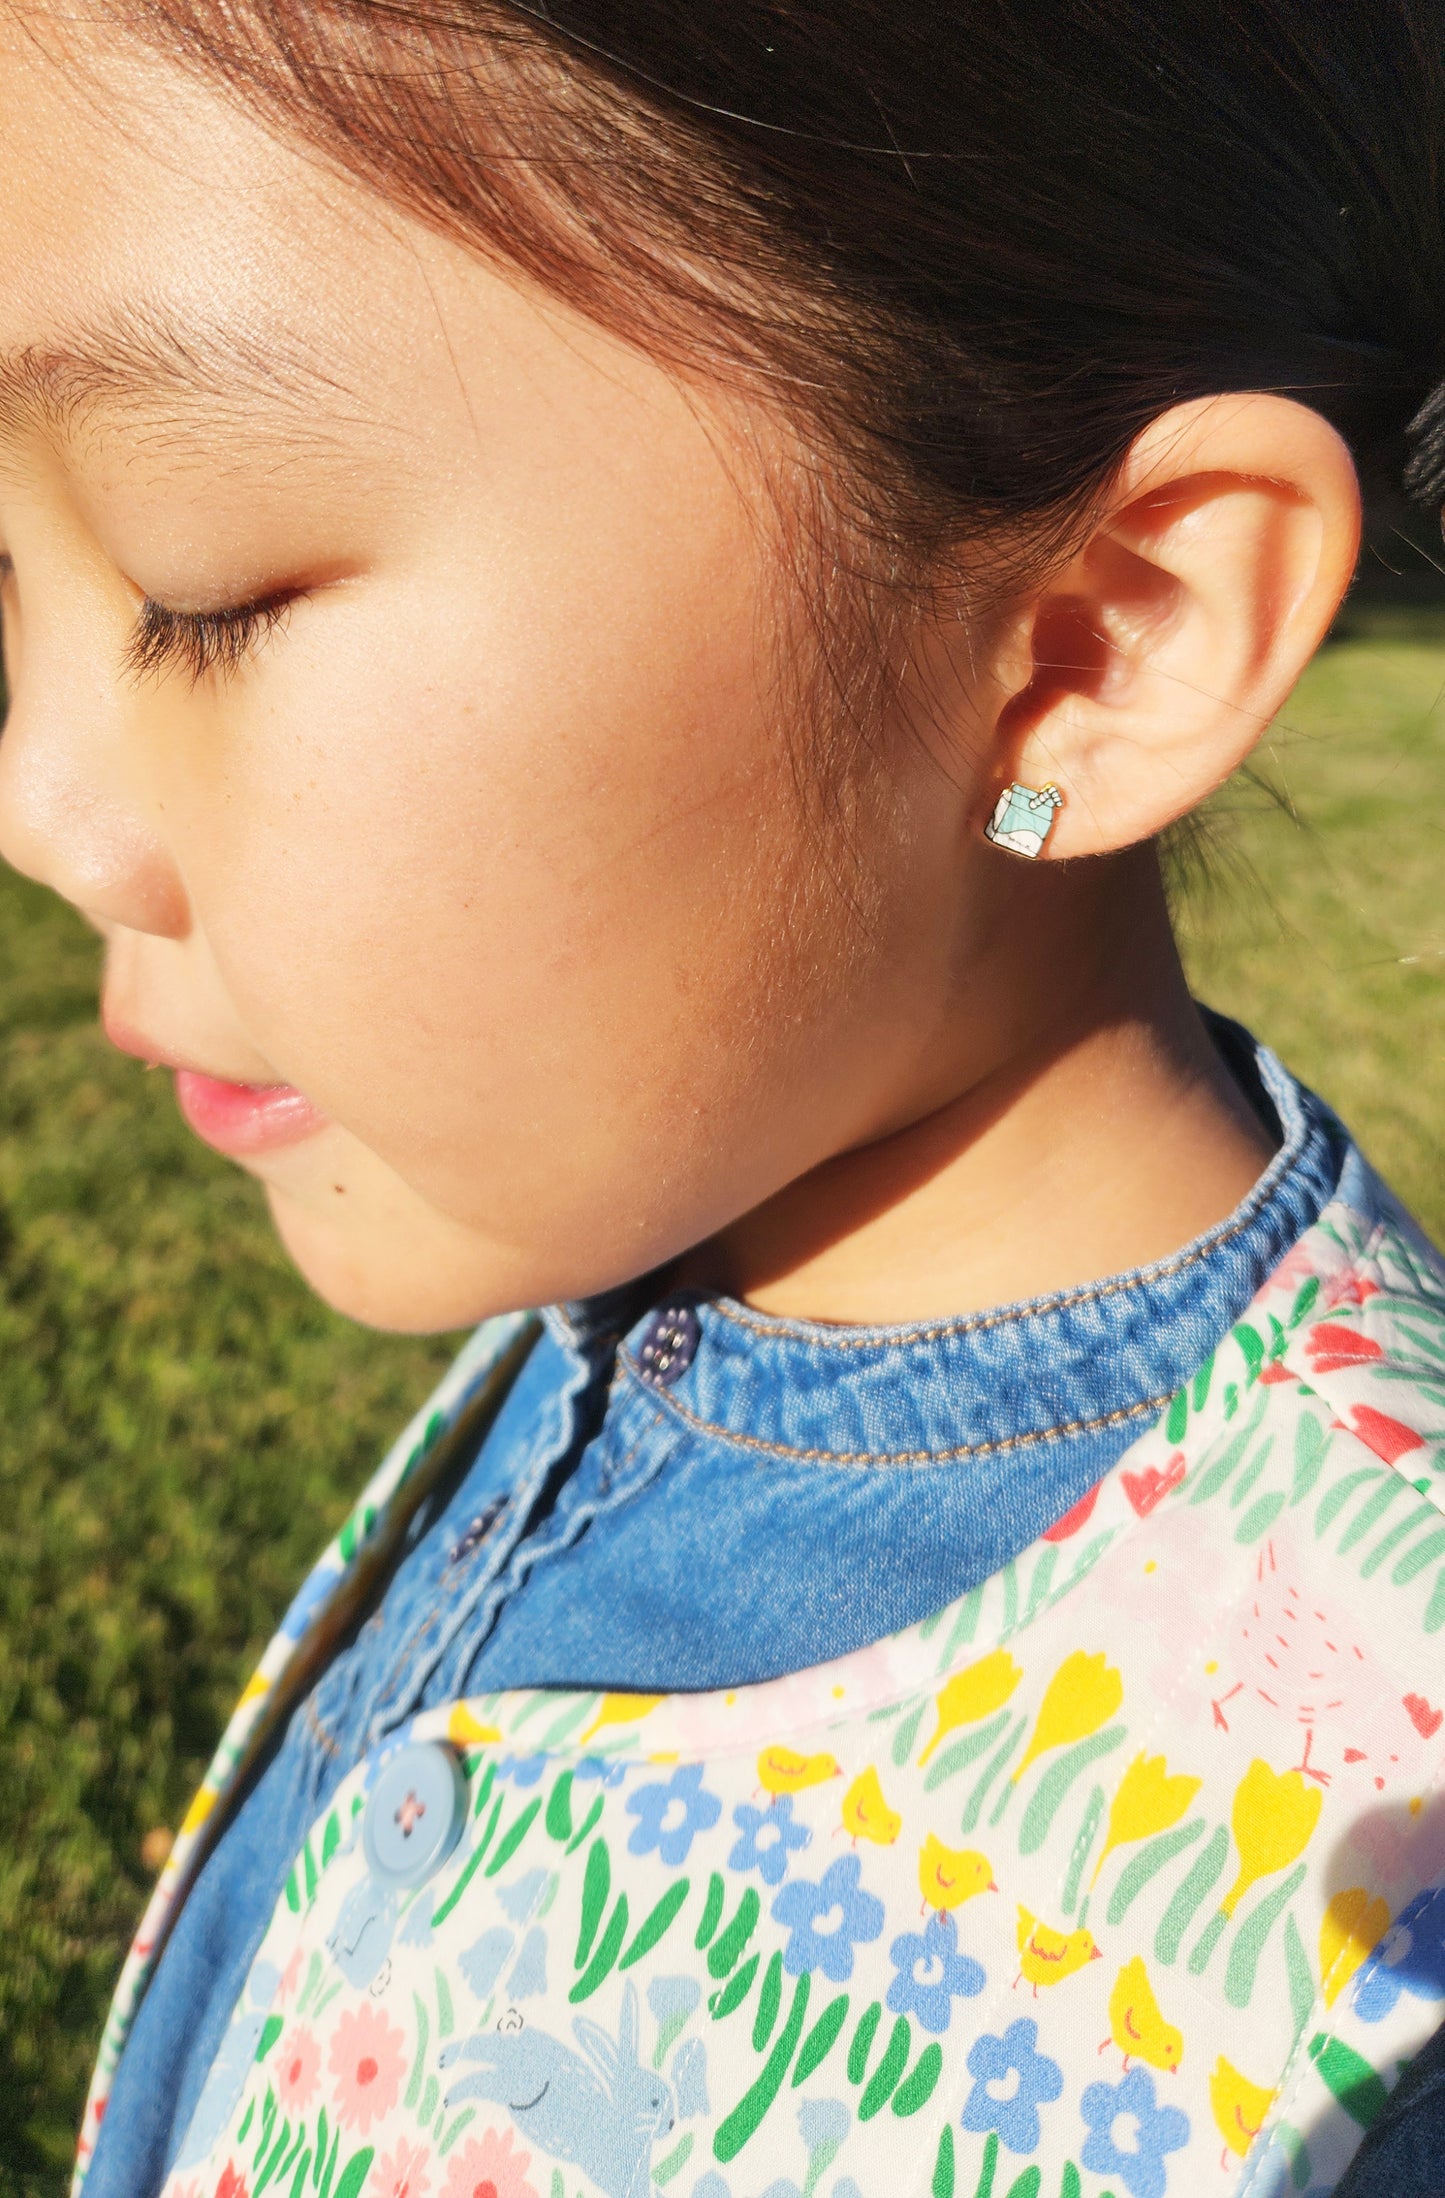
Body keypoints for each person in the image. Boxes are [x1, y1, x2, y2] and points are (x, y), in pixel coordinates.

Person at [0, 1, 1442, 2191]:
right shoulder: (668, 1231)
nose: (44, 805)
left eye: (206, 589)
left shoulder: (1368, 1965)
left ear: (1098, 639)